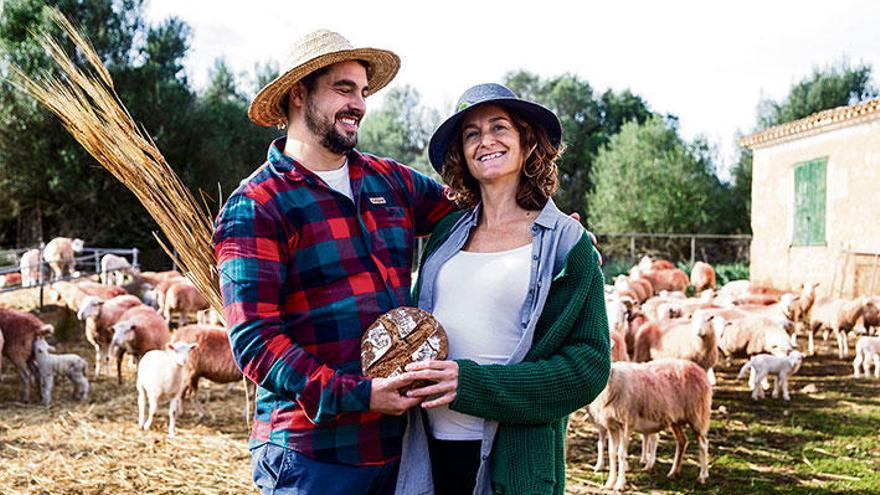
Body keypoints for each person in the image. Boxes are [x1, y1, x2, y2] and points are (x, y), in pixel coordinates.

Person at [212, 30, 455, 495]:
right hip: (312, 455)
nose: (360, 104)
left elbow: (474, 211)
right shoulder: (258, 205)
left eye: (363, 92)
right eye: (344, 89)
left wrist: (547, 224)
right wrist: (360, 395)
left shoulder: (390, 180)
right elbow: (255, 342)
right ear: (299, 93)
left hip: (398, 446)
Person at [394, 83, 611, 495]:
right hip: (427, 453)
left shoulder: (566, 243)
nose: (486, 141)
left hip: (513, 463)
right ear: (462, 153)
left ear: (528, 143)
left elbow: (589, 368)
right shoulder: (445, 236)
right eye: (471, 133)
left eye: (500, 128)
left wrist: (471, 387)